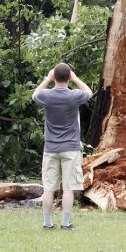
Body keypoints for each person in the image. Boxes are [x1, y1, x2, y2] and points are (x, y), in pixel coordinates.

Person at [32, 63, 93, 230]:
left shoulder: (47, 96)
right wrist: (75, 78)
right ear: (68, 78)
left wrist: (47, 79)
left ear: (54, 77)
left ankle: (47, 222)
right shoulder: (73, 96)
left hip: (51, 148)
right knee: (68, 188)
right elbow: (89, 92)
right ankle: (65, 223)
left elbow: (34, 95)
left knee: (49, 188)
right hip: (71, 148)